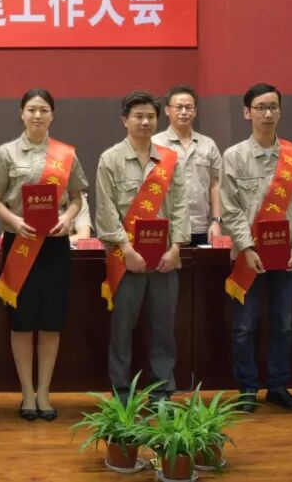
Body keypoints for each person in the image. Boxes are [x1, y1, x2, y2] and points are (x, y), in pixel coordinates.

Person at [0, 89, 87, 421]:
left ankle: (44, 392)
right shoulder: (6, 153)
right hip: (19, 243)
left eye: (44, 109)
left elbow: (77, 198)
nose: (37, 115)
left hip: (54, 245)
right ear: (21, 113)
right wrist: (15, 220)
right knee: (22, 322)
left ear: (52, 115)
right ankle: (27, 394)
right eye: (31, 109)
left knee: (50, 322)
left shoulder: (66, 154)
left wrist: (67, 218)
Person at [221, 83, 292, 412]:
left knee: (283, 325)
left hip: (286, 256)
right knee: (244, 327)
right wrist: (247, 247)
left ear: (280, 111)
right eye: (261, 107)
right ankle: (247, 389)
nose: (268, 113)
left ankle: (278, 387)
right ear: (247, 113)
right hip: (248, 256)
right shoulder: (234, 156)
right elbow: (230, 209)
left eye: (273, 107)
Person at [96, 91, 188, 401]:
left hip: (165, 260)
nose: (145, 121)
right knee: (122, 328)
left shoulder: (169, 160)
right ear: (125, 120)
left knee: (164, 328)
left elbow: (180, 206)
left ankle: (163, 389)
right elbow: (106, 211)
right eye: (138, 116)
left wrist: (176, 248)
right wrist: (127, 250)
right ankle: (121, 390)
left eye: (151, 116)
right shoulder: (110, 159)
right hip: (126, 259)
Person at [153, 85, 223, 245]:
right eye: (178, 107)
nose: (184, 112)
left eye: (189, 107)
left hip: (200, 227)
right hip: (167, 228)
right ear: (167, 110)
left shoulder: (208, 144)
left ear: (195, 111)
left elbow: (216, 184)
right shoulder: (155, 144)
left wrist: (216, 221)